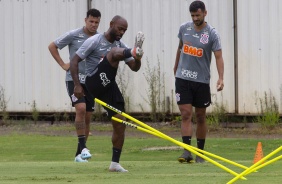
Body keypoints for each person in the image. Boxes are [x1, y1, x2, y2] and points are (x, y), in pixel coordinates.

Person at [70, 15, 145, 172]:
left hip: (108, 85)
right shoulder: (95, 41)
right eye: (119, 28)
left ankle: (114, 164)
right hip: (93, 81)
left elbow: (134, 67)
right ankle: (133, 49)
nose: (121, 32)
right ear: (111, 24)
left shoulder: (119, 45)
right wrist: (77, 85)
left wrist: (137, 58)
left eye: (124, 30)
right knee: (112, 53)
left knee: (120, 121)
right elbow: (74, 61)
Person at [173, 0, 224, 163]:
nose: (195, 18)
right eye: (193, 15)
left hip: (201, 81)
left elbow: (218, 56)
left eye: (198, 15)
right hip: (183, 78)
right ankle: (187, 151)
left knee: (201, 116)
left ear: (205, 13)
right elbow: (180, 48)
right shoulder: (184, 29)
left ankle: (200, 153)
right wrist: (175, 67)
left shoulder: (212, 34)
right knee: (186, 114)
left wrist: (221, 77)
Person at [48, 9, 101, 162]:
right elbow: (52, 46)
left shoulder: (100, 38)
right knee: (81, 108)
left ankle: (79, 154)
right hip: (74, 79)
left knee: (88, 117)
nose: (93, 25)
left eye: (96, 22)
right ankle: (84, 148)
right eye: (91, 21)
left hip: (91, 81)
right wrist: (63, 64)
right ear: (86, 20)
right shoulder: (74, 35)